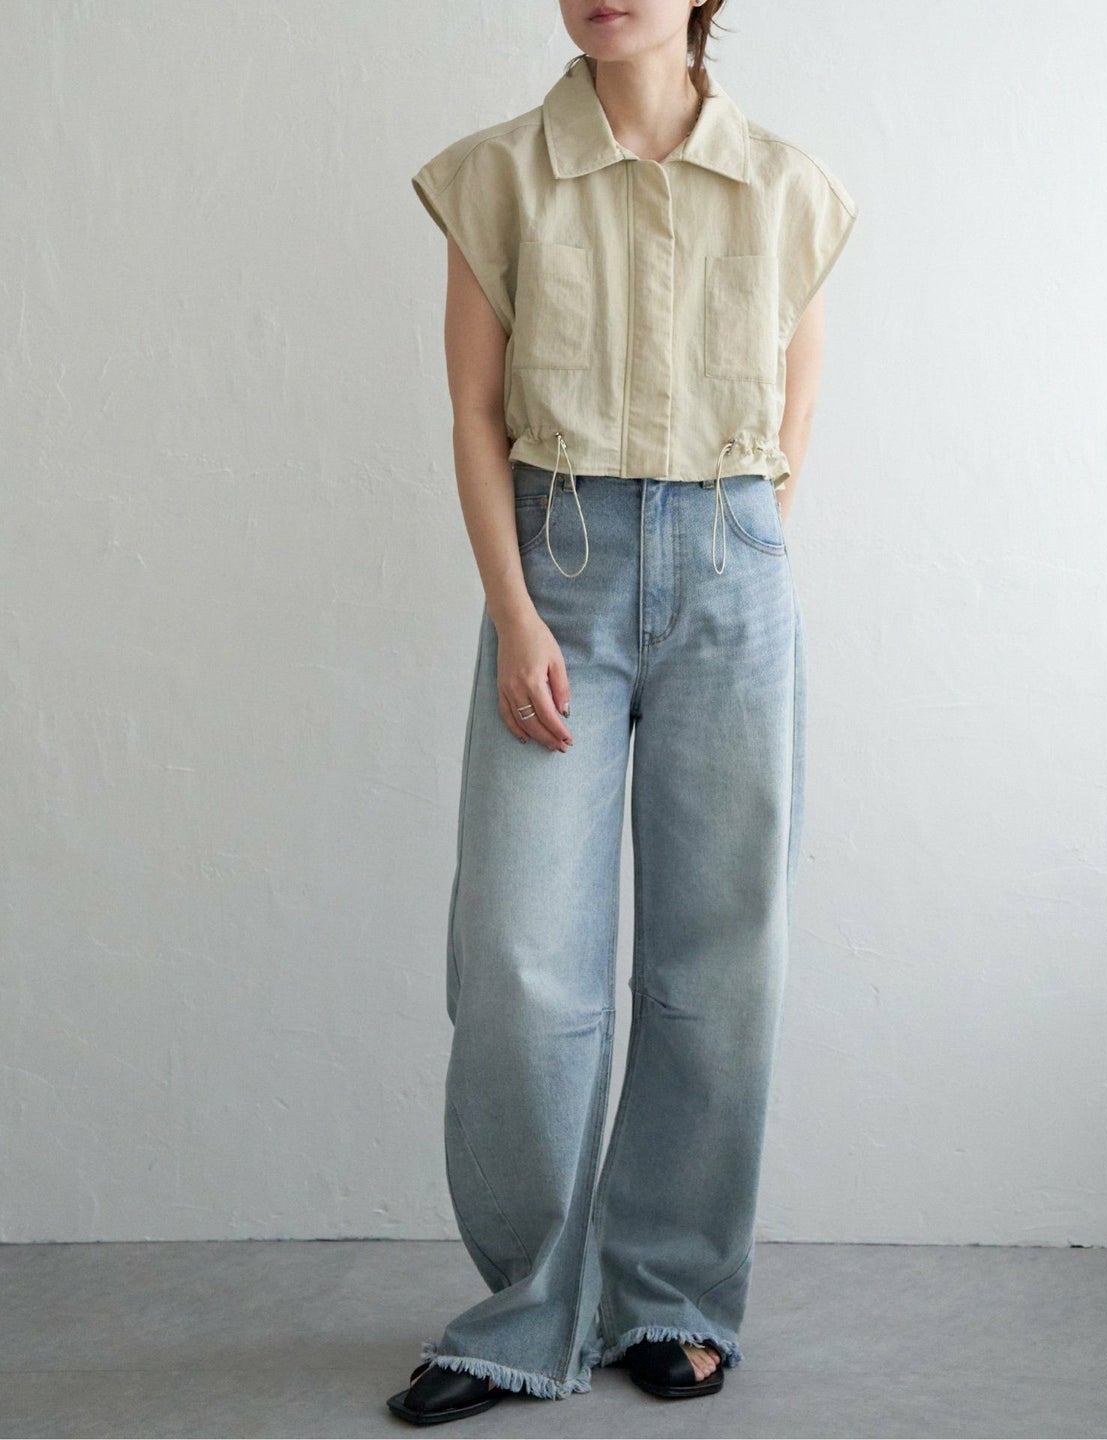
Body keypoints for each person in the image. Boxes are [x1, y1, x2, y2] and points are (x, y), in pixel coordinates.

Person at [387, 0, 857, 1425]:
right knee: (522, 964)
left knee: (720, 959)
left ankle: (672, 1297)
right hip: (560, 580)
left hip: (732, 576)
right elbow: (475, 412)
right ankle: (528, 1310)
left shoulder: (789, 186)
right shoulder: (496, 175)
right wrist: (518, 609)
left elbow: (795, 410)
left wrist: (738, 560)